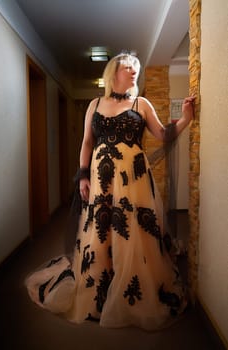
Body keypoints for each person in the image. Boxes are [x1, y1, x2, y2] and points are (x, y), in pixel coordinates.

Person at [25, 52, 195, 331]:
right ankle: (101, 285)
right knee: (101, 230)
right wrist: (82, 176)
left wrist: (186, 118)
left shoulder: (141, 103)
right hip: (102, 180)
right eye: (129, 67)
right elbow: (87, 143)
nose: (134, 72)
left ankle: (131, 289)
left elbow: (163, 135)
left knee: (133, 230)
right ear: (113, 71)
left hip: (134, 180)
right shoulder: (94, 104)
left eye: (136, 69)